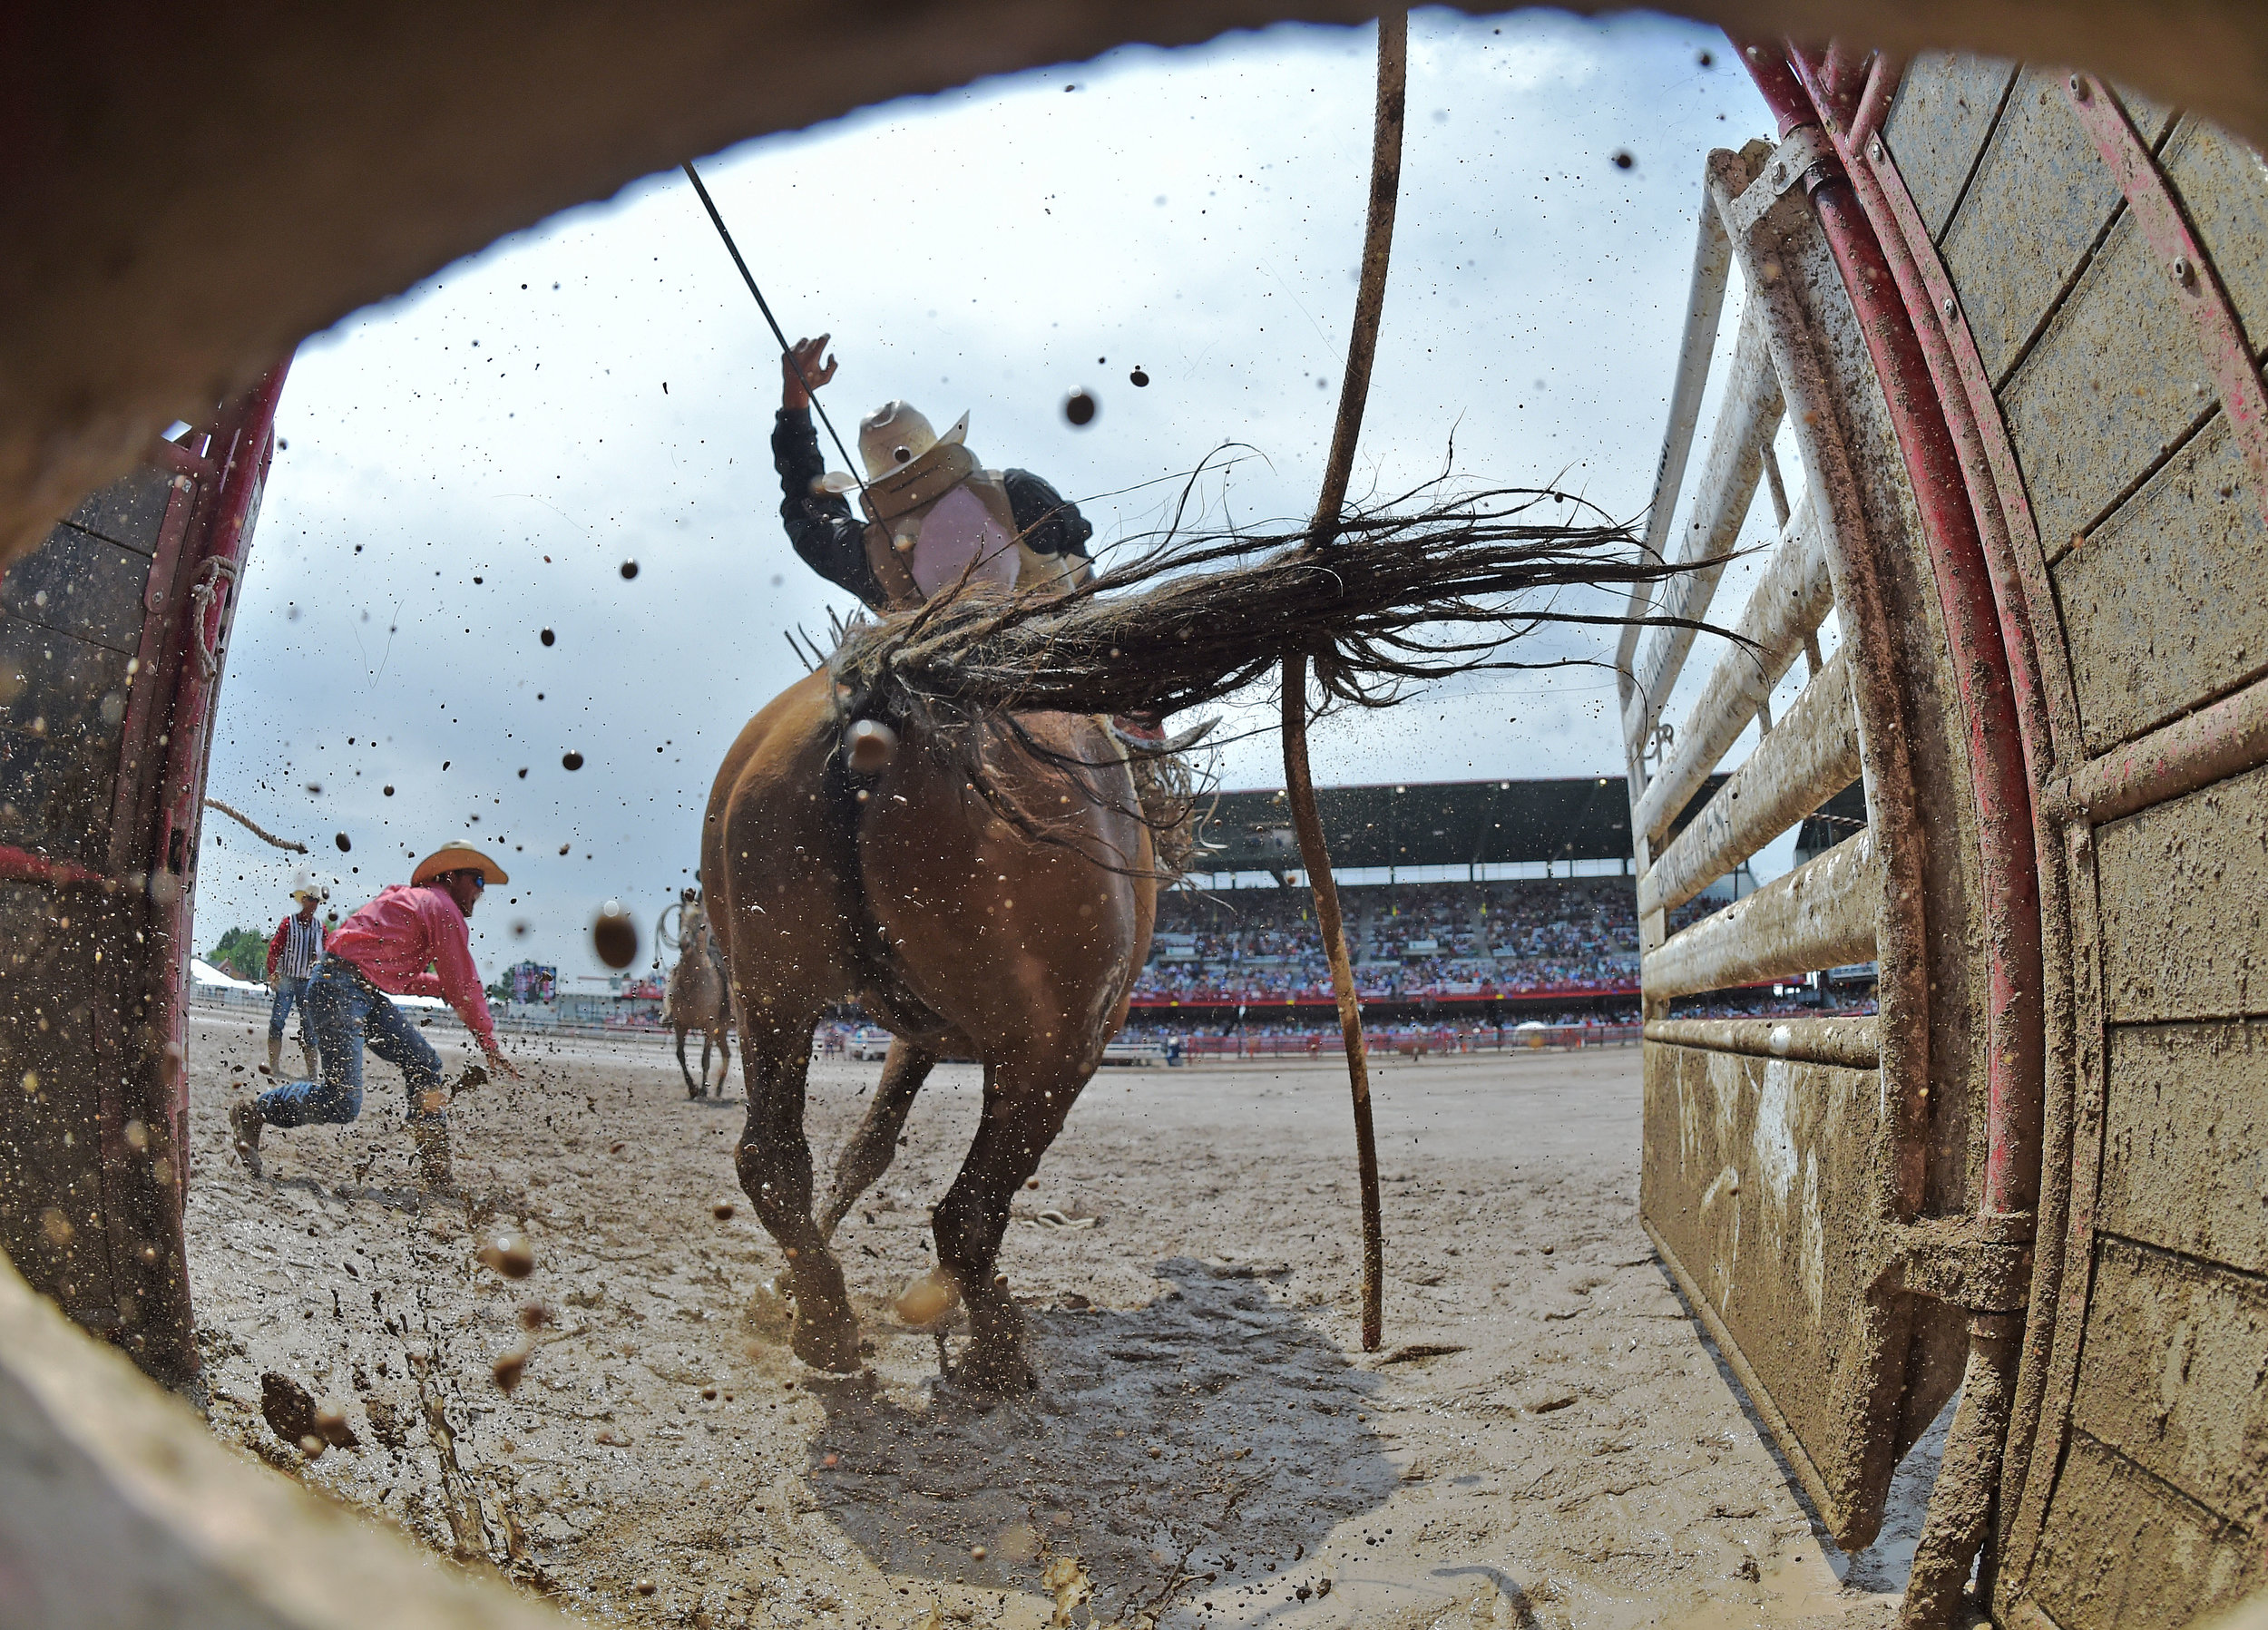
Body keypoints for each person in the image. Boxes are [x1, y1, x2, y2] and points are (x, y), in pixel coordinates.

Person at [230, 845, 520, 1188]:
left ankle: (436, 1171)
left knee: (424, 1063)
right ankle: (256, 1109)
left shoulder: (415, 903)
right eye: (478, 879)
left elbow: (391, 973)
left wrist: (439, 988)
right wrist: (487, 1042)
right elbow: (464, 986)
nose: (481, 890)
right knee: (343, 1102)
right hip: (341, 988)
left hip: (351, 987)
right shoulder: (443, 910)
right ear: (451, 877)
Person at [771, 335, 1095, 611]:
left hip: (959, 684)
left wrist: (795, 403)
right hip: (1069, 667)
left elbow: (808, 510)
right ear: (937, 446)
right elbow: (1081, 571)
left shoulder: (870, 557)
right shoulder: (1018, 492)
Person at [263, 871, 328, 1082]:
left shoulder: (320, 928)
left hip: (308, 981)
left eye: (316, 901)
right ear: (304, 900)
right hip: (288, 979)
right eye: (311, 900)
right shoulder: (288, 923)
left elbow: (326, 955)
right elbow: (275, 949)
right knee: (277, 1022)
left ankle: (312, 1072)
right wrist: (273, 974)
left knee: (309, 1027)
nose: (313, 904)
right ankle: (274, 1066)